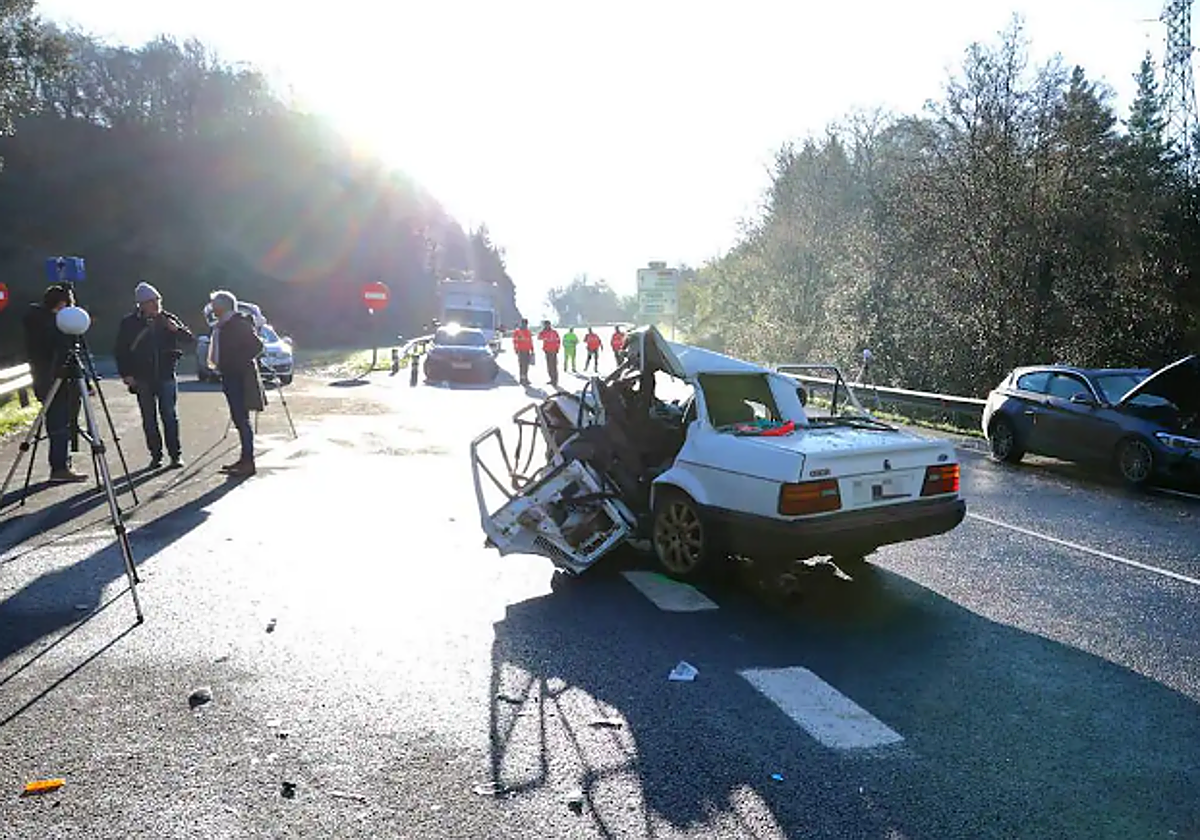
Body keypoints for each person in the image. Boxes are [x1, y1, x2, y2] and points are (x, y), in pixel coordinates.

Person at [115, 282, 195, 470]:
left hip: (166, 375)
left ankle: (175, 455)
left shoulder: (167, 319)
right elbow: (121, 350)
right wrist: (126, 374)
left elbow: (189, 339)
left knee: (170, 416)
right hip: (142, 377)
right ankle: (156, 455)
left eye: (157, 300)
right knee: (149, 418)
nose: (156, 305)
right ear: (141, 304)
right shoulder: (129, 323)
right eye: (151, 301)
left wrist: (176, 330)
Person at [21, 282, 86, 483]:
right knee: (59, 425)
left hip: (51, 379)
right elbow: (49, 352)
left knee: (62, 422)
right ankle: (59, 467)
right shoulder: (48, 326)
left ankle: (62, 464)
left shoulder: (40, 321)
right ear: (61, 304)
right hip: (52, 380)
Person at [207, 291, 264, 478]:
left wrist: (237, 363)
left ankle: (248, 462)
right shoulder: (224, 325)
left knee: (242, 419)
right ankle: (244, 460)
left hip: (238, 376)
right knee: (240, 419)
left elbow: (257, 346)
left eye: (214, 304)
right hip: (230, 375)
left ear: (223, 306)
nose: (212, 308)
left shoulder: (238, 324)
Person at [537, 320, 561, 387]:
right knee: (549, 366)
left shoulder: (554, 332)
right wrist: (543, 331)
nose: (546, 326)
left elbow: (558, 341)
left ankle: (555, 381)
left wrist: (557, 349)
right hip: (547, 351)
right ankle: (552, 379)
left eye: (547, 325)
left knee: (554, 366)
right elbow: (539, 337)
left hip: (553, 351)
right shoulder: (544, 332)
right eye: (545, 325)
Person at [512, 319, 534, 385]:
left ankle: (525, 378)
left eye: (526, 324)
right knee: (522, 365)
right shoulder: (518, 331)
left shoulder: (528, 331)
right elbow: (515, 341)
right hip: (521, 351)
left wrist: (532, 350)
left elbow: (530, 341)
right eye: (524, 324)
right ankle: (522, 379)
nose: (525, 325)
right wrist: (516, 349)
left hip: (527, 351)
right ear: (522, 323)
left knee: (526, 365)